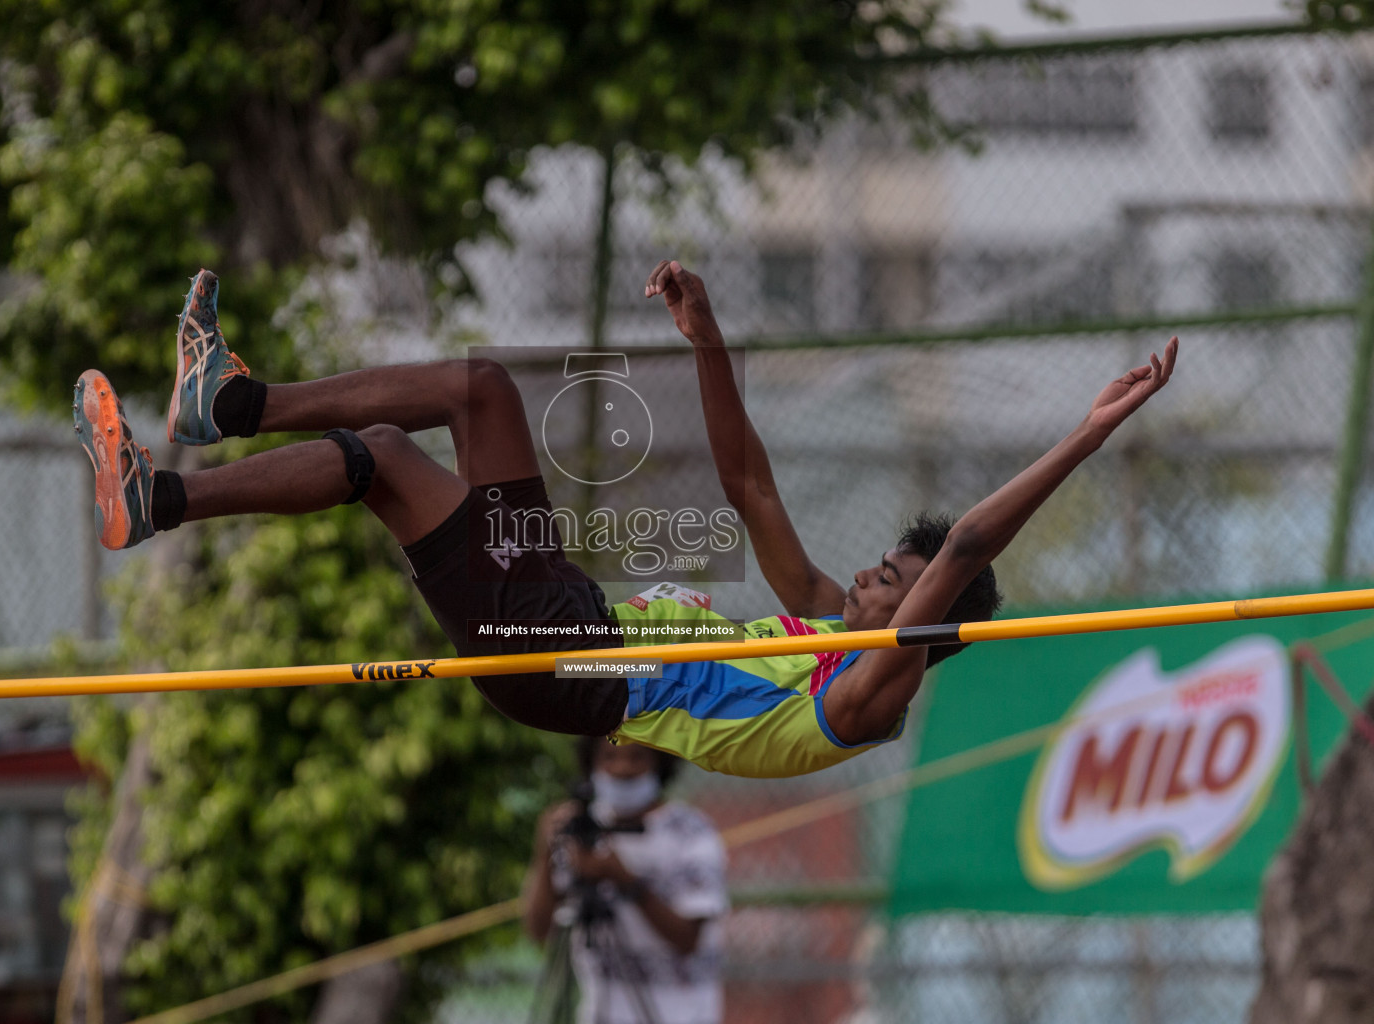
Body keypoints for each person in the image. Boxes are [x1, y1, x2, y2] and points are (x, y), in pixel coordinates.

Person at [73, 263, 1178, 778]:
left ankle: (169, 484)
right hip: (569, 624)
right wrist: (709, 342)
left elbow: (972, 547)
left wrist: (1088, 431)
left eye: (891, 577)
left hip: (572, 658)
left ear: (926, 619)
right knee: (465, 406)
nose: (866, 578)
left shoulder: (869, 689)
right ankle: (212, 427)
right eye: (881, 566)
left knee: (406, 450)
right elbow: (749, 486)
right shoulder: (821, 625)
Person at [522, 737, 726, 1024]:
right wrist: (545, 852)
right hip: (601, 1013)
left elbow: (688, 939)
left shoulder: (691, 832)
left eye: (637, 757)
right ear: (591, 764)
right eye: (609, 757)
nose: (622, 768)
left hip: (681, 1014)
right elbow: (537, 928)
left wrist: (625, 880)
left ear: (659, 762)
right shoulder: (583, 833)